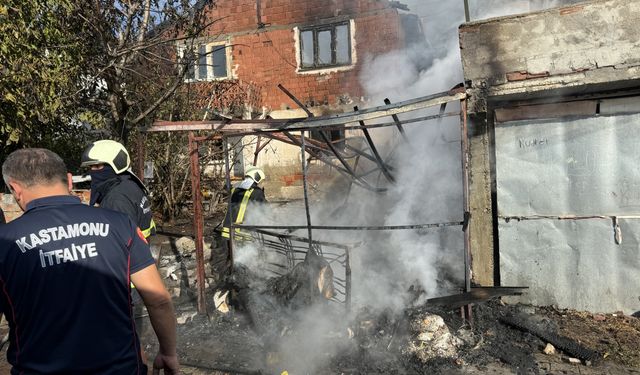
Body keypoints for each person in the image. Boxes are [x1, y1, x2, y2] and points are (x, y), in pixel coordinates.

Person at [0, 148, 178, 374]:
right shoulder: (120, 224)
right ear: (69, 180)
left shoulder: (5, 243)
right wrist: (168, 352)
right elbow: (158, 300)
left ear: (14, 188)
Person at [80, 139, 156, 239]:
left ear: (115, 165)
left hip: (132, 254)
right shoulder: (131, 184)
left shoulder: (116, 198)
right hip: (143, 250)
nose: (92, 171)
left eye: (97, 166)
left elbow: (121, 243)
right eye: (91, 167)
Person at [218, 167, 267, 273]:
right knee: (245, 261)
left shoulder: (235, 189)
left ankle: (227, 277)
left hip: (227, 229)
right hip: (242, 231)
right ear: (257, 177)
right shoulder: (257, 192)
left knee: (231, 258)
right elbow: (265, 209)